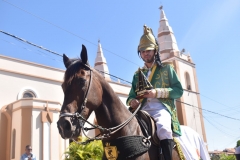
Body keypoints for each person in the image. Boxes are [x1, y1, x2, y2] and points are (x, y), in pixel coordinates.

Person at [126, 25, 183, 160]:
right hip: (142, 110)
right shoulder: (137, 75)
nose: (146, 53)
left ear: (155, 50)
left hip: (161, 109)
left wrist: (156, 92)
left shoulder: (167, 69)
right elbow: (130, 96)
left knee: (163, 128)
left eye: (148, 50)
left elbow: (178, 91)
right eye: (142, 50)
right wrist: (132, 101)